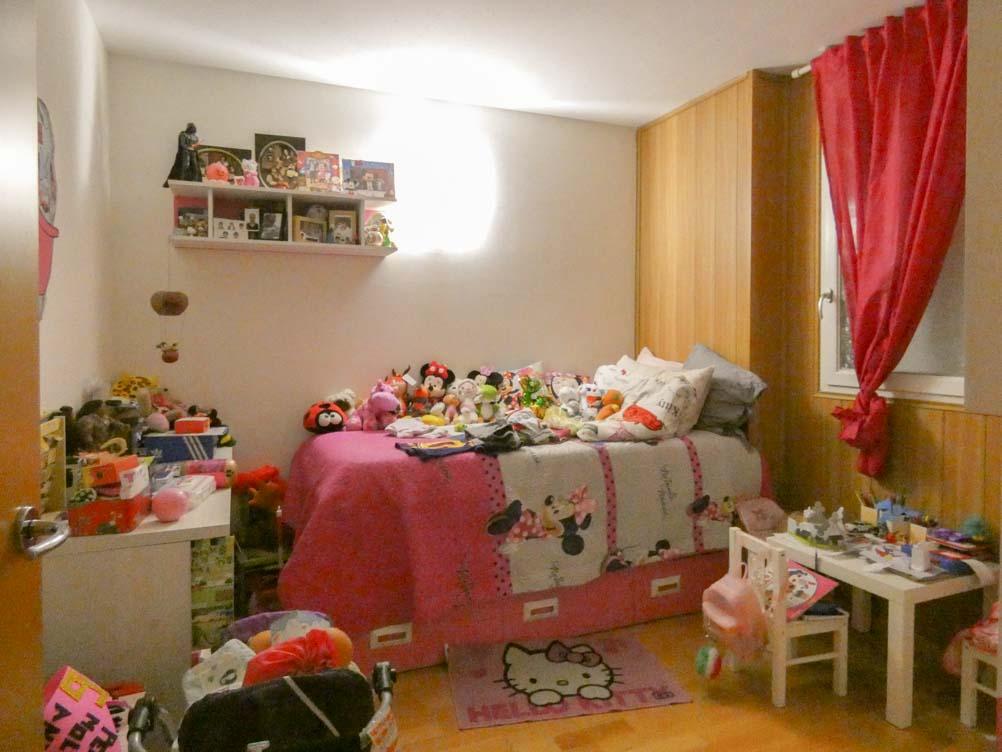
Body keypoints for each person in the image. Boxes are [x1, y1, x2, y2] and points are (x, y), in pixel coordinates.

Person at [163, 123, 201, 187]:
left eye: (193, 128)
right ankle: (181, 181)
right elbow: (182, 144)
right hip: (184, 154)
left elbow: (196, 146)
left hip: (193, 154)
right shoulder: (183, 135)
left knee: (195, 168)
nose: (193, 129)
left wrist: (195, 148)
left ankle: (194, 182)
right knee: (183, 167)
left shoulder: (195, 137)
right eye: (191, 128)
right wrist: (189, 147)